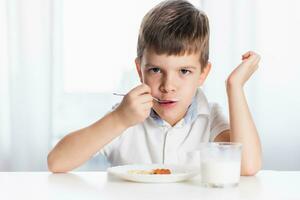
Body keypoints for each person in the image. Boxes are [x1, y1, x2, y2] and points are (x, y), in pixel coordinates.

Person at [47, 0, 262, 175]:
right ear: (140, 70)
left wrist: (235, 87)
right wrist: (119, 119)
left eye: (184, 71)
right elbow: (57, 162)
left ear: (203, 74)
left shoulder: (210, 117)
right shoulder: (125, 116)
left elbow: (247, 166)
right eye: (156, 70)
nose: (168, 86)